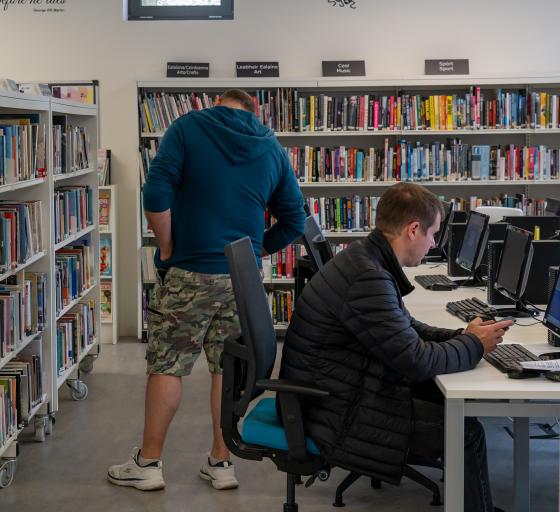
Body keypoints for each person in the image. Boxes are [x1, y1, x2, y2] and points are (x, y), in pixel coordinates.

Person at [108, 89, 306, 491]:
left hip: (188, 273)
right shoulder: (270, 146)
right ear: (254, 111)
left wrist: (166, 247)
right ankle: (221, 462)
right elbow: (294, 221)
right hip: (241, 281)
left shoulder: (186, 128)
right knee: (227, 368)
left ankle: (148, 463)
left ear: (217, 102)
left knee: (167, 365)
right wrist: (252, 252)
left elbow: (156, 194)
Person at [279, 182, 511, 512]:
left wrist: (462, 335)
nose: (434, 244)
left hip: (337, 389)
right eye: (433, 234)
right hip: (335, 412)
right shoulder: (368, 276)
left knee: (441, 396)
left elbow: (407, 330)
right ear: (413, 230)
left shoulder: (367, 258)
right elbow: (414, 359)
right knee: (466, 432)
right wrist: (472, 344)